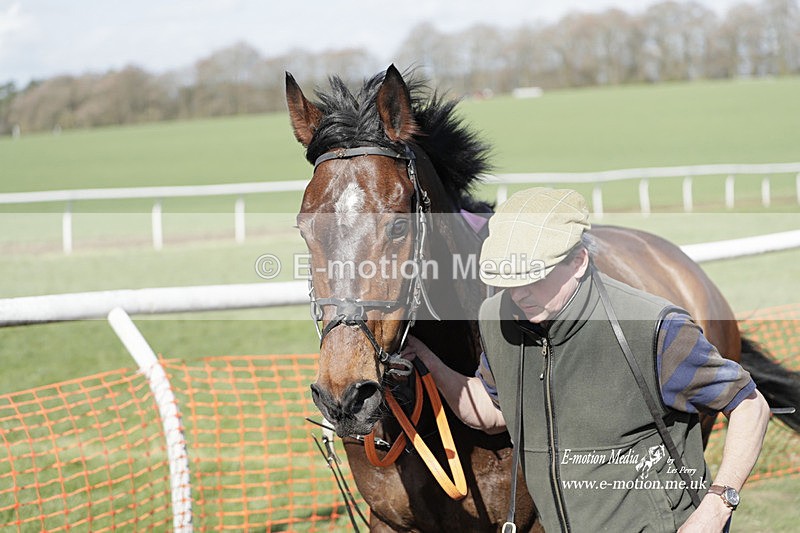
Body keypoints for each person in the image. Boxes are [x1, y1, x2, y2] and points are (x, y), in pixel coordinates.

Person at [401, 188, 771, 532]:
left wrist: (718, 505)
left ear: (578, 261)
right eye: (508, 279)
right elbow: (492, 412)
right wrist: (428, 361)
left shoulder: (653, 328)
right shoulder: (499, 319)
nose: (519, 293)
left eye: (534, 277)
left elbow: (750, 406)